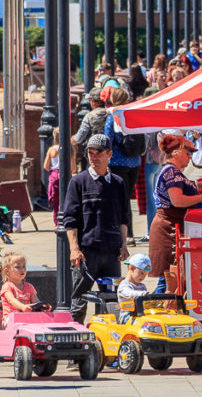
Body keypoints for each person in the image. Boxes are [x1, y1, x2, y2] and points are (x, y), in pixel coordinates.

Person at [63, 133, 130, 324]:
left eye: (98, 153)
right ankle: (77, 345)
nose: (93, 157)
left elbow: (124, 217)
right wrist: (74, 249)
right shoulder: (78, 182)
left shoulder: (117, 183)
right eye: (90, 153)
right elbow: (70, 219)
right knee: (78, 303)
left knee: (111, 303)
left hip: (111, 253)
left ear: (109, 154)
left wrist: (123, 244)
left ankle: (106, 344)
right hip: (86, 253)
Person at [149, 133, 202, 294]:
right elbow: (177, 201)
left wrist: (198, 192)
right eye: (187, 152)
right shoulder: (171, 171)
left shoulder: (172, 171)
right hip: (168, 229)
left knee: (170, 280)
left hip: (170, 227)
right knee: (169, 281)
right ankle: (155, 314)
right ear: (176, 153)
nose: (190, 157)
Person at [103, 87, 144, 245]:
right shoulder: (133, 114)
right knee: (126, 198)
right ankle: (129, 234)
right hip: (134, 162)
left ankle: (123, 234)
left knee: (119, 199)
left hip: (117, 163)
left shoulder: (112, 117)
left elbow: (107, 140)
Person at [0, 252, 48, 325]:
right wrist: (23, 307)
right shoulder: (7, 286)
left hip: (25, 319)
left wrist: (43, 307)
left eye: (24, 266)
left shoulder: (29, 287)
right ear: (7, 271)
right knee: (23, 324)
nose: (22, 269)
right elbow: (11, 300)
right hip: (10, 320)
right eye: (18, 267)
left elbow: (36, 302)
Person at [43, 128, 69, 226]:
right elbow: (73, 167)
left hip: (54, 175)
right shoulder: (69, 148)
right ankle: (66, 221)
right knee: (66, 200)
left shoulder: (51, 150)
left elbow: (45, 166)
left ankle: (57, 223)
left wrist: (53, 171)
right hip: (65, 174)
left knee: (55, 202)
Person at [117, 253, 151, 322]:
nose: (143, 277)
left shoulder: (142, 286)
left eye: (145, 275)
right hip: (127, 317)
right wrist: (143, 294)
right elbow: (130, 293)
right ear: (131, 267)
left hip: (140, 315)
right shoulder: (124, 286)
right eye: (142, 273)